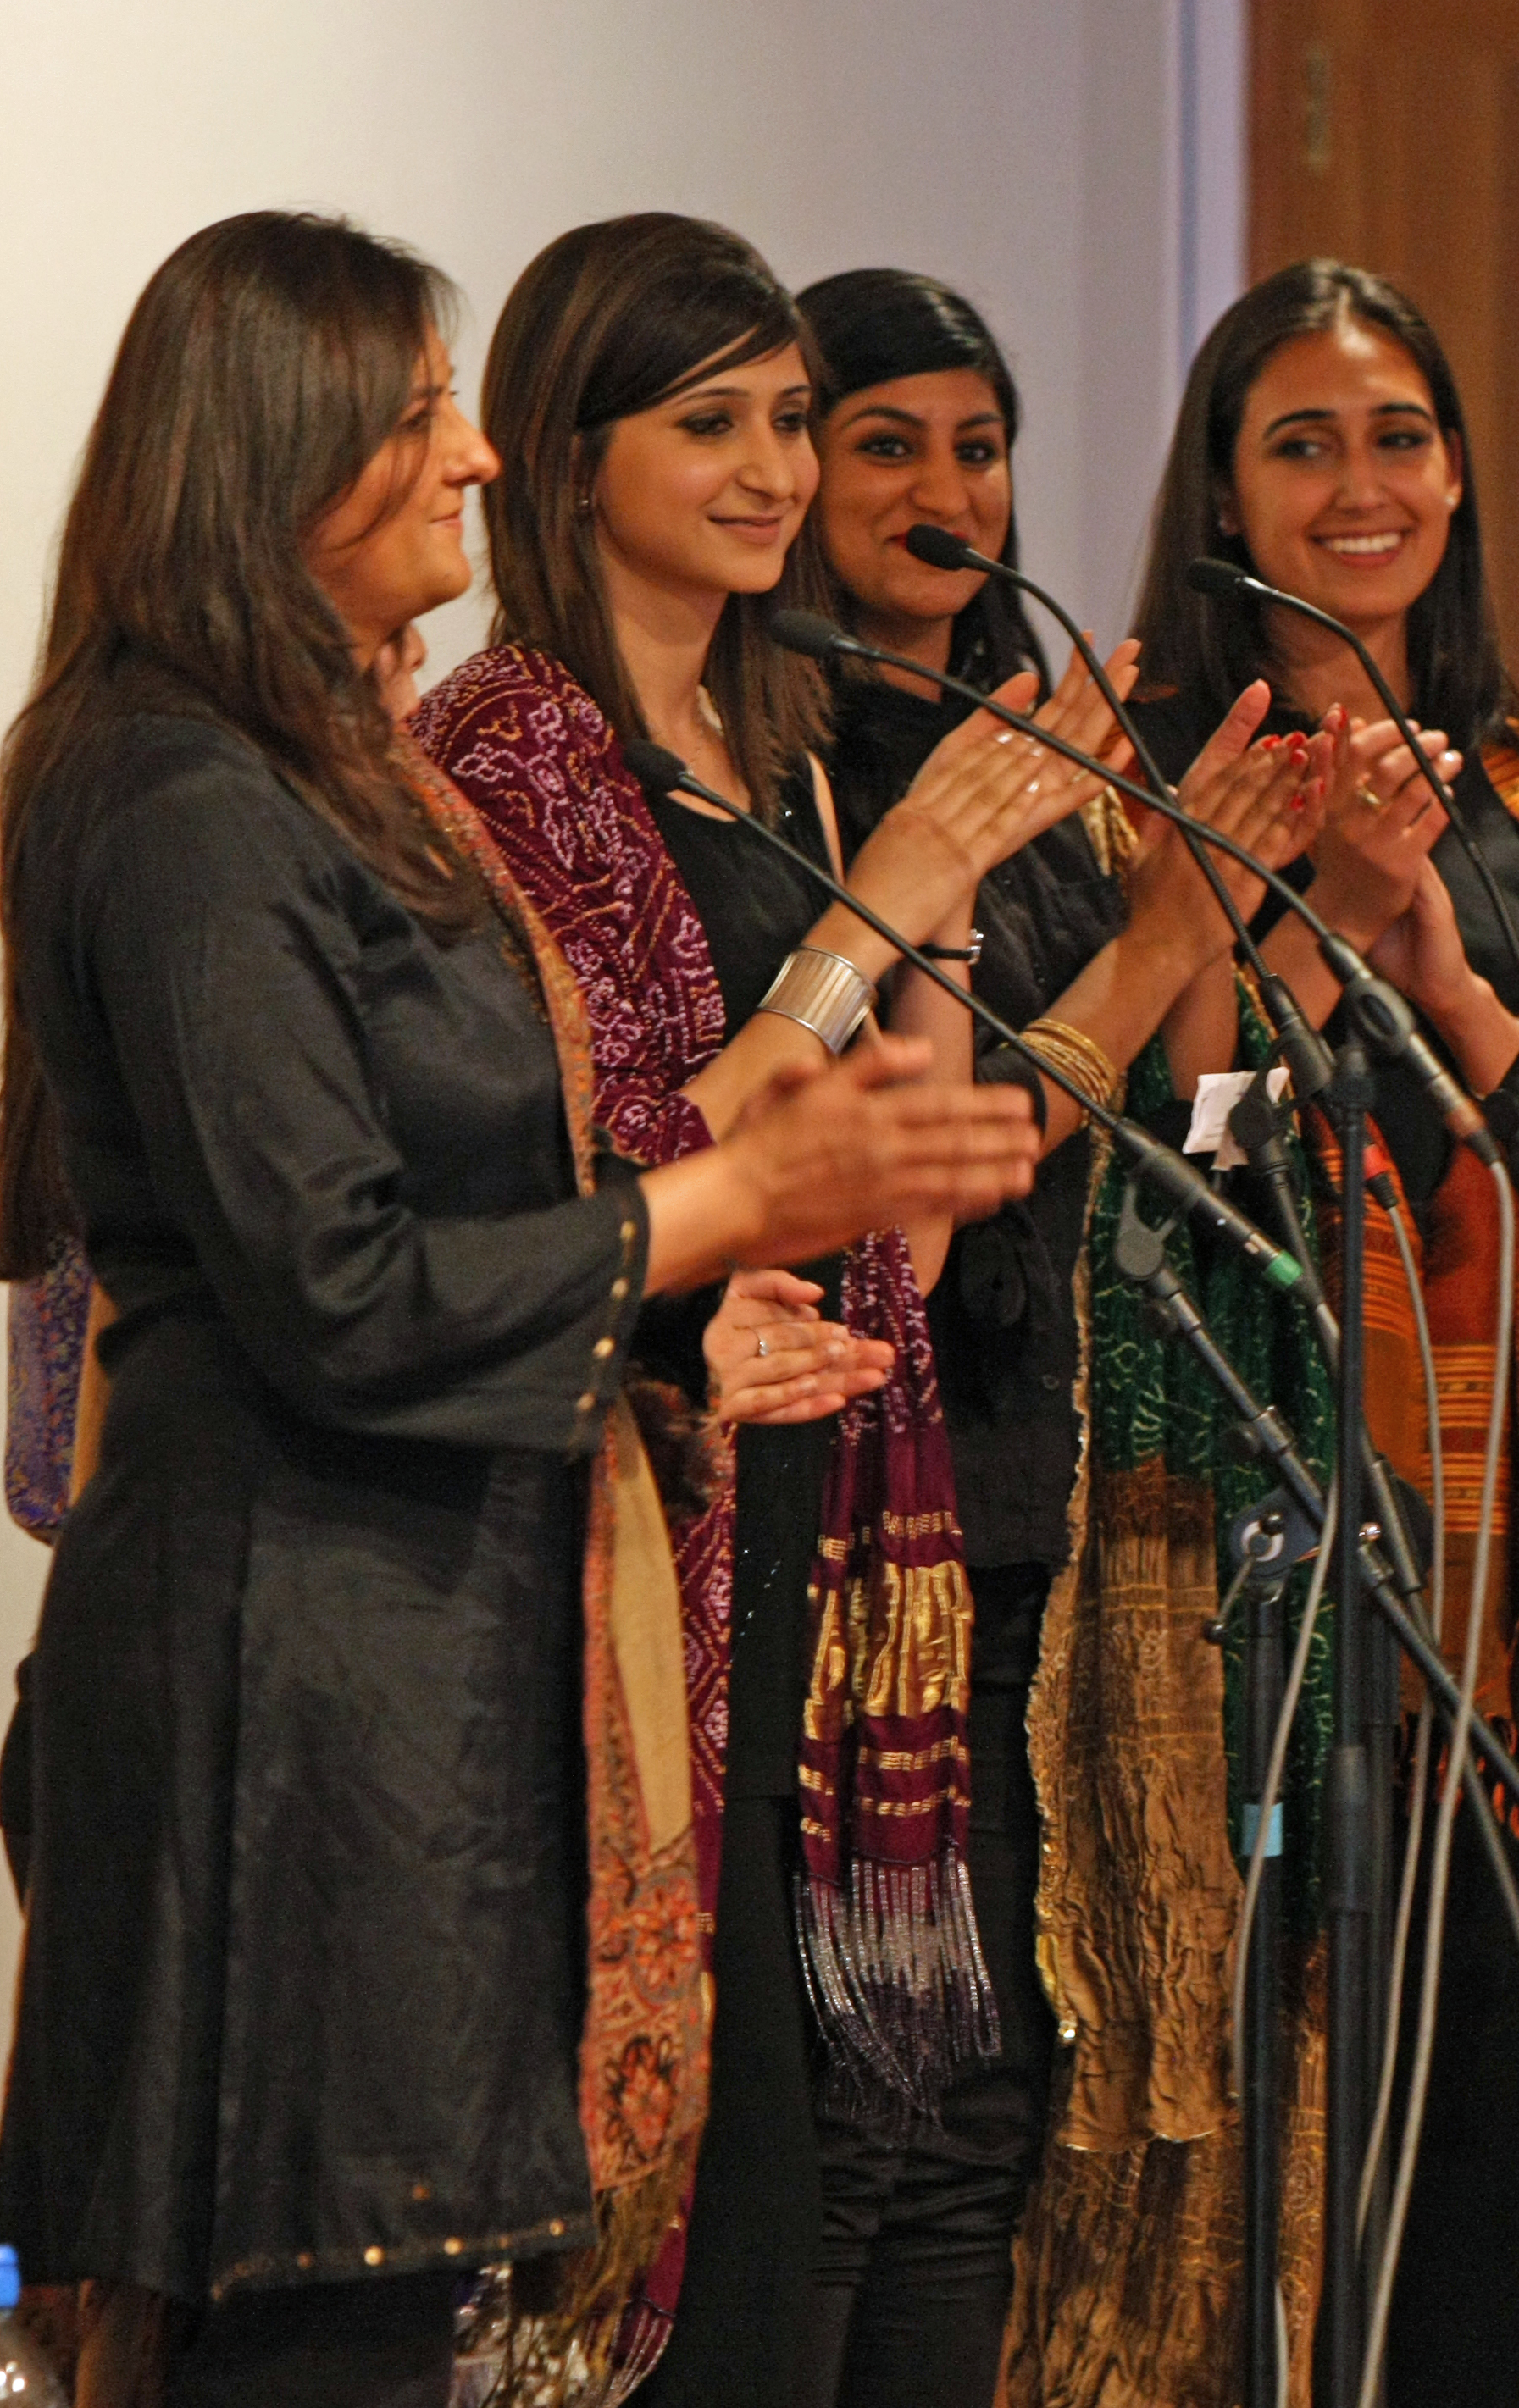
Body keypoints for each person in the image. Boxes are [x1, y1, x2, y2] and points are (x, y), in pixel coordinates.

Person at [0, 209, 1036, 2407]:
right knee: (328, 2343)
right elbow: (338, 1282)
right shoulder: (179, 797)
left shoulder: (303, 777)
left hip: (400, 1655)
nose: (468, 458)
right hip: (288, 1701)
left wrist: (687, 1328)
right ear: (276, 456)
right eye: (413, 418)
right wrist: (719, 1208)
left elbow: (473, 1215)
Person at [418, 213, 1118, 2407]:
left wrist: (1043, 916)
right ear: (563, 448)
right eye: (710, 420)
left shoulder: (780, 734)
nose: (774, 469)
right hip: (657, 1509)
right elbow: (613, 1170)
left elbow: (890, 1142)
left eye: (786, 422)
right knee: (741, 2180)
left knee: (917, 2134)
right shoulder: (515, 751)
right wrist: (891, 896)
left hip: (850, 1479)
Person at [1117, 255, 1519, 2405]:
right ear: (1221, 489)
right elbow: (1162, 1164)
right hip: (1219, 1564)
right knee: (1242, 2208)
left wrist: (1445, 965)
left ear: (1455, 473)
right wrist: (1319, 914)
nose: (1358, 485)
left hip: (1514, 1595)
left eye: (1396, 437)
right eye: (1301, 443)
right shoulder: (1120, 752)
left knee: (1467, 2200)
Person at [794, 266, 1327, 2405]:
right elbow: (951, 1150)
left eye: (980, 445)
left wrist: (1223, 929)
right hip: (871, 1528)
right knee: (876, 2124)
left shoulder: (1046, 764)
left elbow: (1185, 1154)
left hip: (1064, 1509)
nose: (946, 490)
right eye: (886, 444)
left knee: (999, 2118)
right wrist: (1160, 941)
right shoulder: (819, 779)